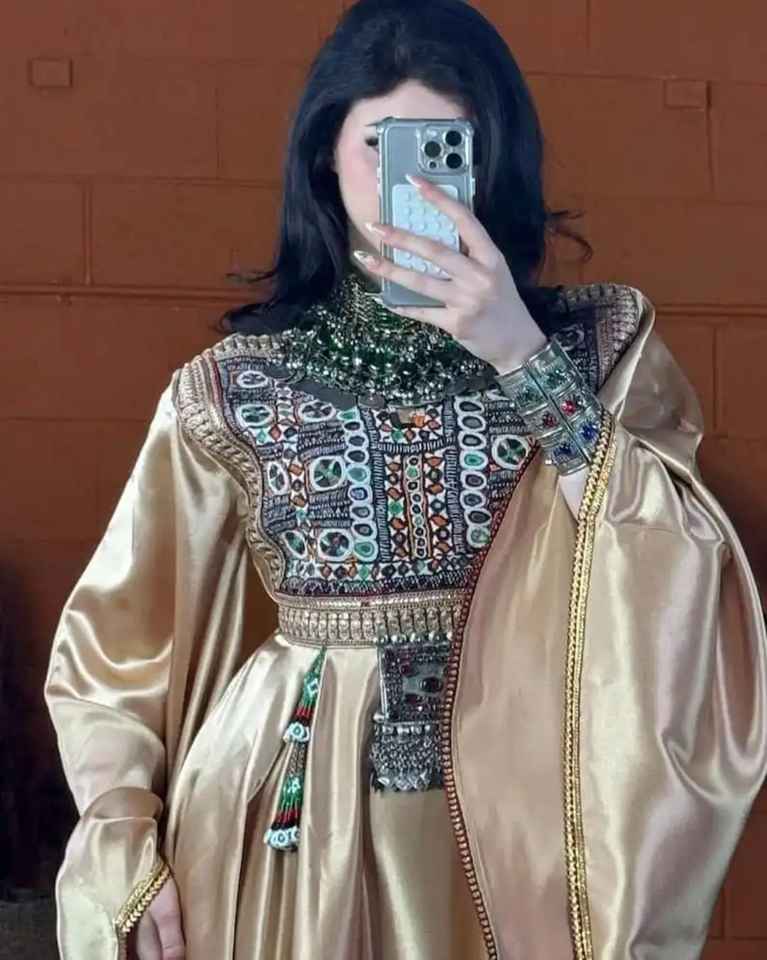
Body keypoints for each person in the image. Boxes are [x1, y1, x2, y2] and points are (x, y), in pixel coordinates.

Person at [44, 1, 767, 958]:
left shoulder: (599, 345)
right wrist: (122, 831)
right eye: (382, 147)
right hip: (295, 823)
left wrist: (519, 355)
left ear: (493, 158)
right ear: (325, 156)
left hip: (520, 810)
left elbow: (681, 569)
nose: (412, 186)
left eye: (447, 147)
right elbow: (118, 644)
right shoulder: (231, 388)